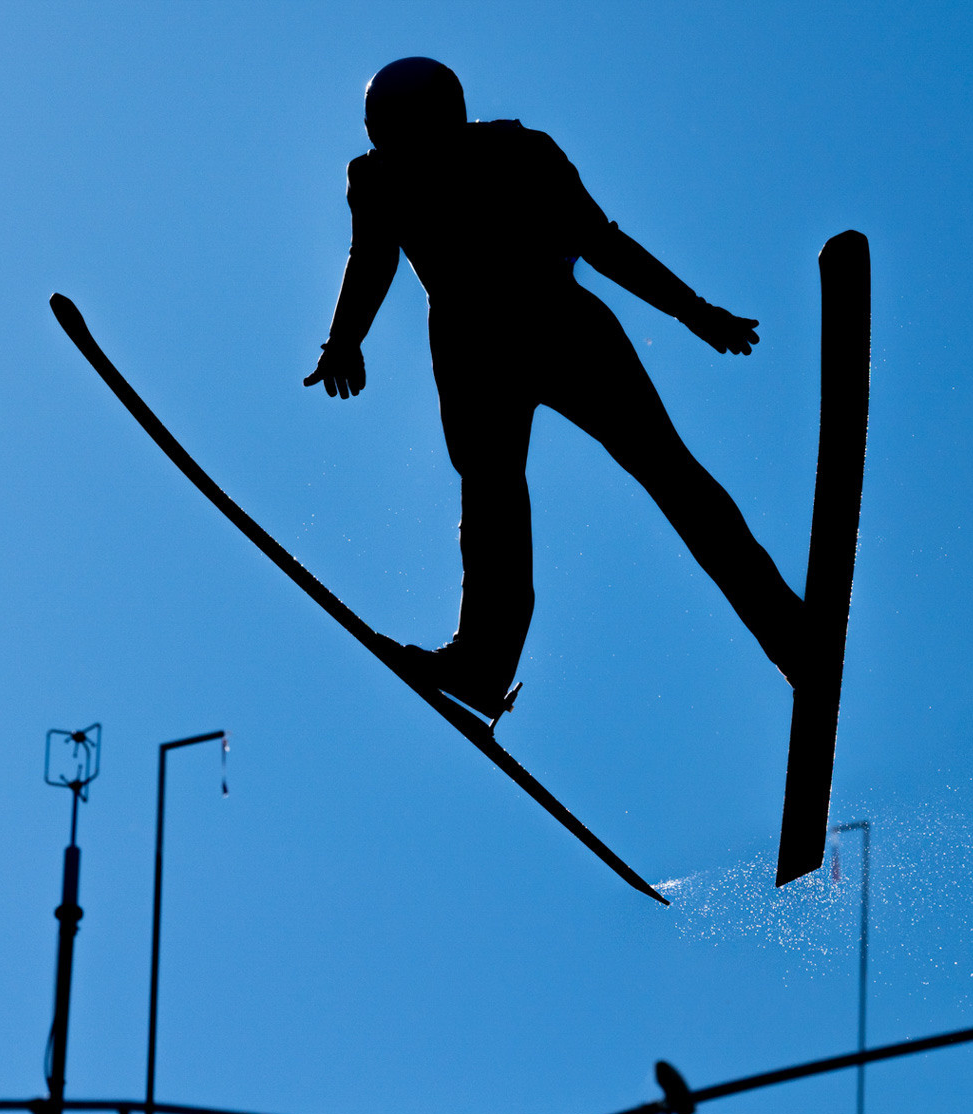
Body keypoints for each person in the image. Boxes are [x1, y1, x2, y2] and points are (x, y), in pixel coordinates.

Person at [306, 57, 804, 719]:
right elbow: (372, 258)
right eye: (382, 134)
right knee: (492, 500)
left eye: (401, 132)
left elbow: (599, 243)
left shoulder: (519, 151)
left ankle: (790, 634)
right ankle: (481, 663)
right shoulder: (377, 176)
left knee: (666, 473)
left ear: (444, 119)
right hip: (471, 346)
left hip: (558, 327)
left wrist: (694, 312)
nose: (391, 148)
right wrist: (343, 339)